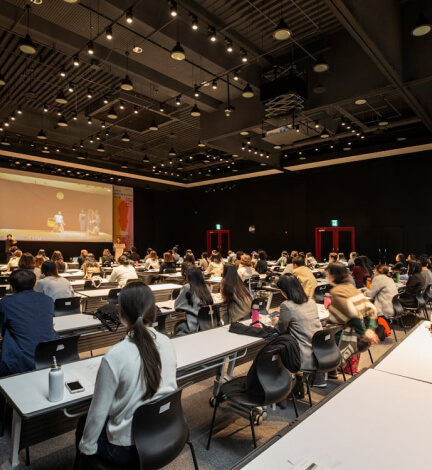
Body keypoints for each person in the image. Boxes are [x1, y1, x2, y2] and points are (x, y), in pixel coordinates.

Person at [77, 282, 177, 467]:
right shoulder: (167, 342)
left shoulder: (115, 355)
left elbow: (98, 412)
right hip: (165, 431)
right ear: (153, 311)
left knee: (84, 425)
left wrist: (87, 447)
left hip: (127, 448)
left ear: (121, 314)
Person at [0, 270, 58, 376]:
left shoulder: (5, 303)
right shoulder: (48, 300)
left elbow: (2, 329)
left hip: (22, 361)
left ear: (12, 286)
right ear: (34, 284)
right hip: (51, 354)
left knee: (8, 332)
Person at [326, 262, 379, 375]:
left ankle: (328, 370)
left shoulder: (336, 291)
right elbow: (372, 309)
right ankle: (333, 370)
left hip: (343, 334)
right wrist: (370, 329)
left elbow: (353, 314)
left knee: (316, 337)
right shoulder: (352, 288)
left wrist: (364, 333)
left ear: (333, 275)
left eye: (327, 274)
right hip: (356, 333)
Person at [275, 274, 324, 392]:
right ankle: (298, 381)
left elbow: (281, 329)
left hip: (303, 356)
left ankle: (282, 387)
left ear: (284, 291)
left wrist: (276, 321)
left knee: (274, 349)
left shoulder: (286, 305)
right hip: (320, 352)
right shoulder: (311, 302)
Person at [174, 267, 213, 333]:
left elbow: (177, 305)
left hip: (194, 323)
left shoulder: (187, 287)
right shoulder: (206, 286)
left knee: (178, 326)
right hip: (208, 322)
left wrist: (187, 304)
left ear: (188, 277)